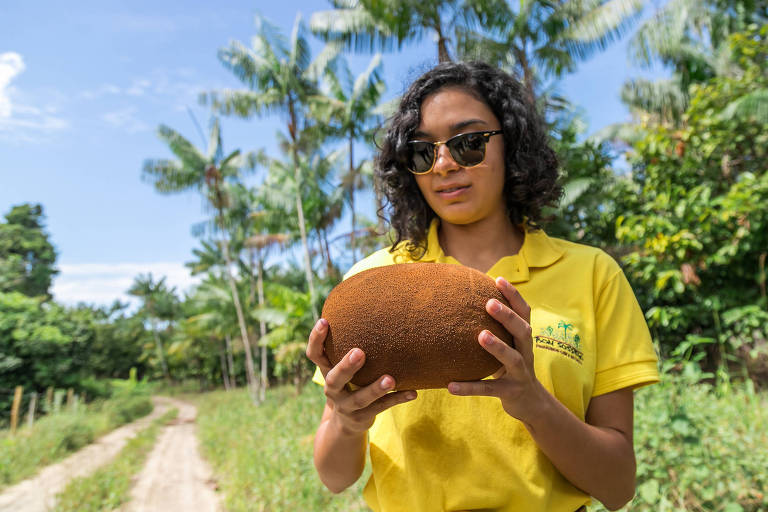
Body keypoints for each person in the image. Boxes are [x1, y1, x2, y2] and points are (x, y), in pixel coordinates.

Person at [306, 61, 659, 512]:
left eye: (468, 143)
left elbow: (618, 486)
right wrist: (347, 422)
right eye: (422, 152)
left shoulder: (592, 274)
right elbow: (334, 478)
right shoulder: (371, 283)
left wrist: (534, 404)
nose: (444, 165)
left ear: (512, 144)